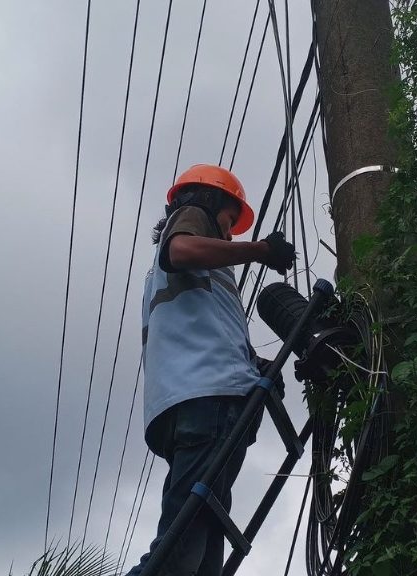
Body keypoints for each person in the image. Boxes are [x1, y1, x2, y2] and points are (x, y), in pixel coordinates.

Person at [126, 164, 296, 576]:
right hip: (207, 399)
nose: (228, 232)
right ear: (209, 200)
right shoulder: (194, 220)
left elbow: (206, 332)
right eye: (228, 220)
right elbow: (181, 249)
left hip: (186, 402)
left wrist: (255, 365)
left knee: (202, 553)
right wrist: (261, 251)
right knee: (180, 549)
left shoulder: (179, 281)